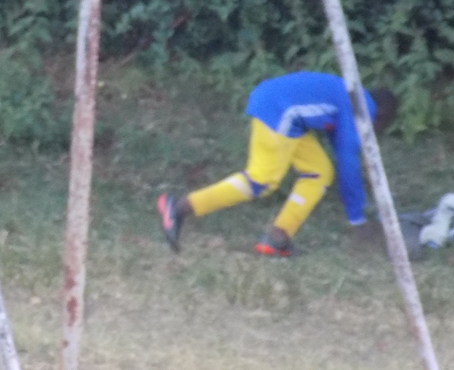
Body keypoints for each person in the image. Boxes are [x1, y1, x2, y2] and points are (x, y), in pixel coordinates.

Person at [156, 71, 397, 257]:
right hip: (279, 109)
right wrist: (357, 219)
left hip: (287, 112)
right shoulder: (361, 109)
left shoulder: (352, 98)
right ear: (382, 116)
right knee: (261, 180)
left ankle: (277, 237)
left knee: (319, 172)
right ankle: (178, 207)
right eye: (382, 127)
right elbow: (348, 163)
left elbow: (341, 145)